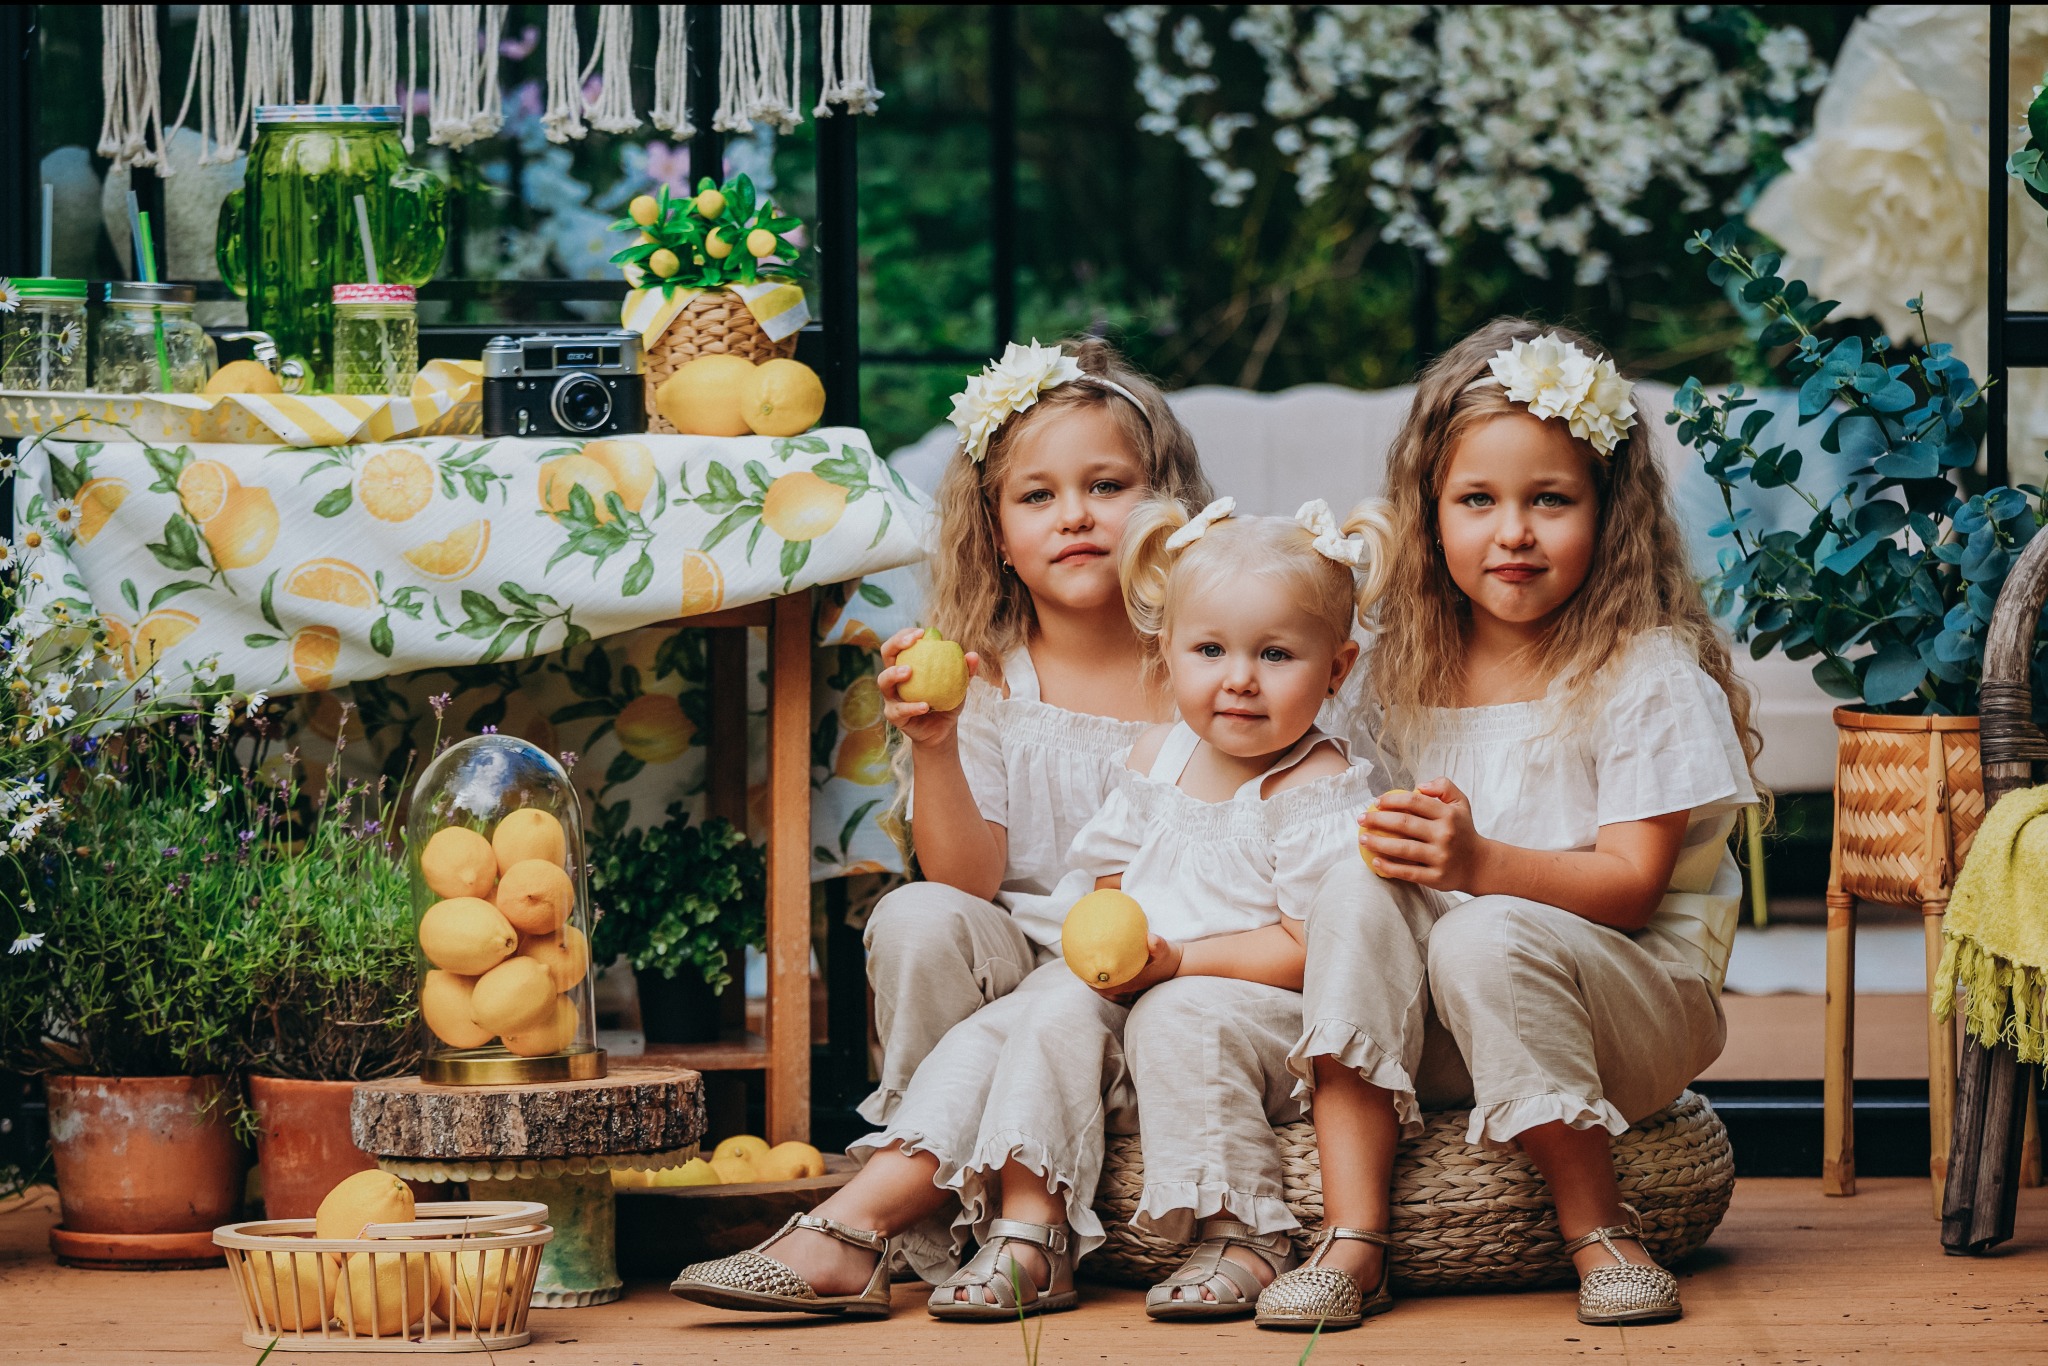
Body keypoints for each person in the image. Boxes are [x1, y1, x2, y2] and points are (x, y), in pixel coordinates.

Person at [668, 338, 1209, 1318]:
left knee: (1061, 1000)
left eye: (1106, 484)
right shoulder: (992, 675)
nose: (1075, 514)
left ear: (1164, 509)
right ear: (997, 534)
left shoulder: (1210, 660)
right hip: (1029, 949)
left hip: (1172, 958)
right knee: (916, 915)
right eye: (1036, 496)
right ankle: (948, 1217)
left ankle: (864, 1222)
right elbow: (969, 885)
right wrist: (934, 742)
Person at [1317, 319, 1762, 1328]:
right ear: (1429, 515)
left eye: (1548, 500)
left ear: (1610, 513)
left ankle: (1598, 1227)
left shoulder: (1642, 671)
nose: (1510, 532)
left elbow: (1630, 887)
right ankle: (1352, 1236)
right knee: (1349, 881)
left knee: (1480, 926)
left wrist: (1474, 861)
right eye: (1476, 500)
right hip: (1453, 1012)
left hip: (1630, 1005)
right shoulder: (1394, 669)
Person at [1065, 493, 1425, 1325]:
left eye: (1274, 654)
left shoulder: (1316, 788)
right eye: (1210, 649)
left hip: (1273, 1022)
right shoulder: (1156, 758)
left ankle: (1245, 1232)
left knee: (1180, 1016)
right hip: (1147, 983)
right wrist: (1111, 936)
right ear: (1167, 654)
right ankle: (1017, 1209)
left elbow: (1313, 947)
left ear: (1336, 669)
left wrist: (1179, 964)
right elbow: (1112, 878)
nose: (1238, 679)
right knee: (1043, 1016)